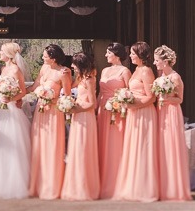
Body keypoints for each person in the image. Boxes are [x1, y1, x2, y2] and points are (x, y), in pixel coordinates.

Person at [0, 42, 31, 199]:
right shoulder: (2, 69)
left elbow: (22, 91)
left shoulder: (16, 70)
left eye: (1, 51)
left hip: (10, 110)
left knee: (11, 144)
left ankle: (13, 182)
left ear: (8, 54)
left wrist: (10, 99)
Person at [112, 41, 160, 203]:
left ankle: (145, 188)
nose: (130, 55)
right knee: (134, 148)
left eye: (132, 53)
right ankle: (134, 186)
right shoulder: (136, 70)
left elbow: (151, 96)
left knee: (143, 148)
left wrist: (133, 104)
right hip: (134, 113)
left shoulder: (146, 71)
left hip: (144, 114)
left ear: (140, 55)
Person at [27, 43, 71, 200]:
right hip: (40, 112)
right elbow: (35, 86)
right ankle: (37, 184)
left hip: (54, 113)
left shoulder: (64, 72)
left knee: (52, 147)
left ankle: (52, 186)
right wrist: (17, 93)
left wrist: (52, 99)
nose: (42, 58)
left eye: (45, 56)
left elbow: (66, 95)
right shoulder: (44, 69)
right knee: (39, 146)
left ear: (53, 58)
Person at [154, 45, 192, 202]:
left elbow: (180, 99)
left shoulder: (175, 77)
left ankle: (174, 188)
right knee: (161, 148)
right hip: (160, 112)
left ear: (165, 62)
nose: (155, 63)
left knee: (171, 147)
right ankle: (163, 187)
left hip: (171, 113)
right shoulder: (159, 77)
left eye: (157, 61)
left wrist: (166, 98)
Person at [61, 52, 100, 201]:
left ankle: (85, 188)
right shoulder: (80, 78)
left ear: (81, 64)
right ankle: (75, 186)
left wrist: (76, 109)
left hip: (85, 117)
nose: (71, 66)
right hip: (78, 116)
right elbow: (69, 89)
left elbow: (92, 103)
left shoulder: (90, 79)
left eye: (74, 64)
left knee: (83, 149)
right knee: (76, 149)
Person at [97, 42, 131, 198]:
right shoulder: (104, 70)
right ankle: (102, 179)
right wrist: (95, 109)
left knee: (116, 144)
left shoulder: (125, 71)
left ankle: (118, 180)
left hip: (118, 111)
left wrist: (121, 104)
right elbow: (99, 93)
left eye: (108, 53)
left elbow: (130, 93)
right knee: (103, 143)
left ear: (116, 54)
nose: (105, 55)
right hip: (102, 110)